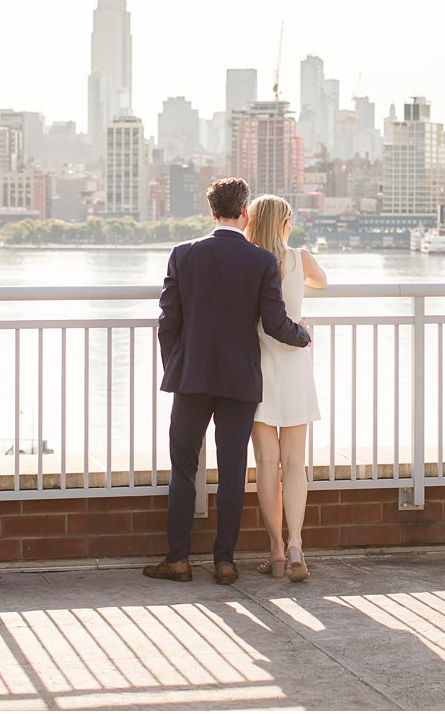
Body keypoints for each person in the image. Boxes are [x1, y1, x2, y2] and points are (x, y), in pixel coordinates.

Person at [144, 177, 312, 586]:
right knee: (234, 471)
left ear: (211, 212)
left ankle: (179, 559)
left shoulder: (183, 254)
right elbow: (275, 323)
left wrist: (177, 366)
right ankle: (225, 562)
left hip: (191, 377)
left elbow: (168, 322)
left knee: (184, 469)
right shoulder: (259, 262)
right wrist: (304, 335)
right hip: (240, 380)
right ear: (244, 212)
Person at [245, 194, 327, 583]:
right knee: (295, 462)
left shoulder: (247, 261)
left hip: (258, 366)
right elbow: (321, 283)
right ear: (285, 222)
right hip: (296, 363)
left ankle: (275, 550)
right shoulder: (300, 258)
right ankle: (296, 543)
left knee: (266, 463)